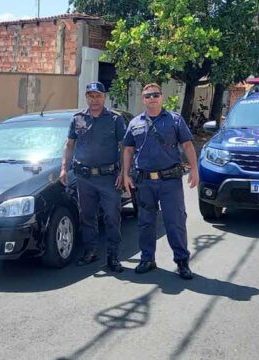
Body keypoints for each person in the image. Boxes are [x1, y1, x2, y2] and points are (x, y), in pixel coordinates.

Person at [123, 83, 198, 280]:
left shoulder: (174, 120)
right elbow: (128, 150)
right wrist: (125, 174)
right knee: (145, 222)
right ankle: (147, 259)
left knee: (175, 221)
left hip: (169, 182)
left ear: (161, 97)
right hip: (144, 182)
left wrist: (195, 169)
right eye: (148, 96)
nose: (152, 98)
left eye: (155, 95)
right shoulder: (135, 123)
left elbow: (188, 145)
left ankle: (182, 261)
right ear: (143, 99)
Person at [59, 81, 126, 272]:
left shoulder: (114, 119)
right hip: (84, 178)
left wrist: (123, 172)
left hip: (108, 178)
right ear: (86, 97)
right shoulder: (78, 119)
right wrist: (64, 168)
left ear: (104, 97)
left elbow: (124, 147)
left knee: (112, 217)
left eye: (98, 96)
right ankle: (91, 251)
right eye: (91, 96)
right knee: (87, 216)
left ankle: (113, 256)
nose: (94, 99)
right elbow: (69, 145)